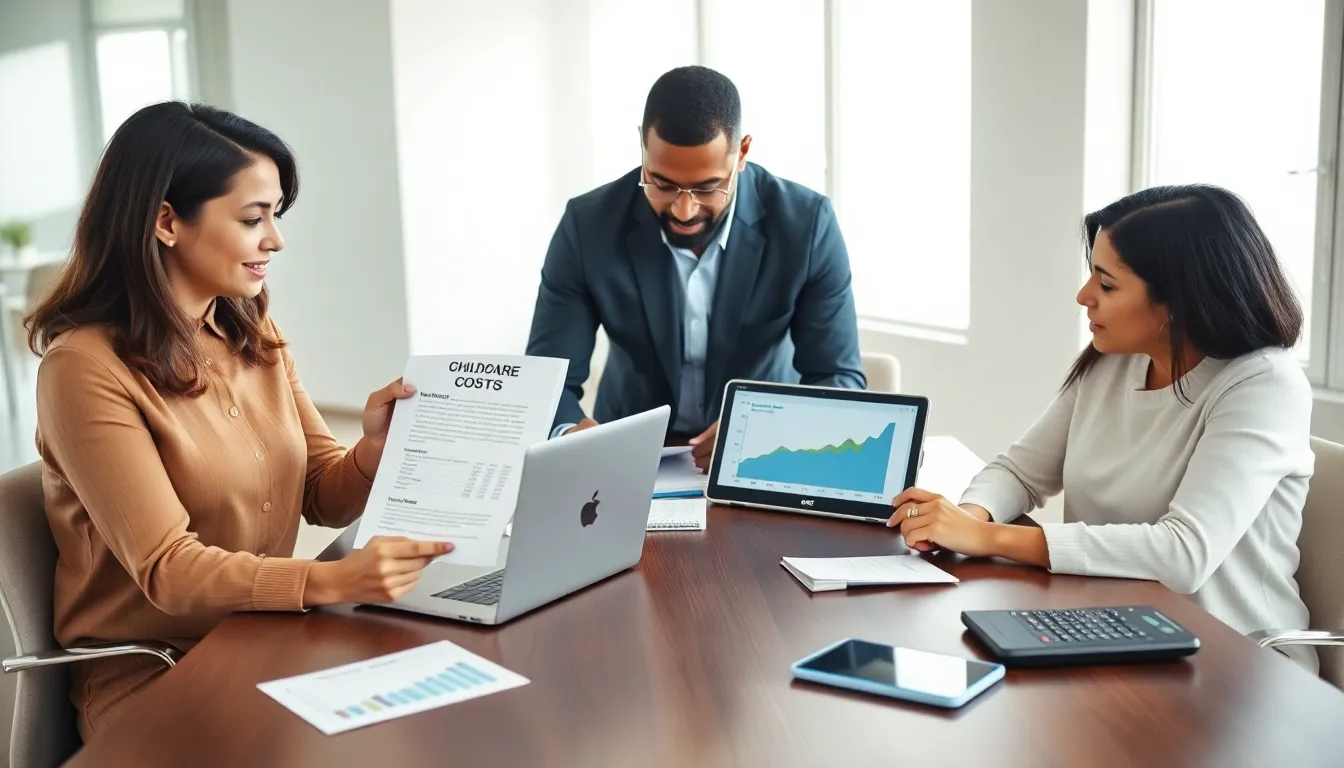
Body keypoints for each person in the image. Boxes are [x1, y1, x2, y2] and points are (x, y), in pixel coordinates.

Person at [27, 102, 452, 739]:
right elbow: (168, 569)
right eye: (254, 219)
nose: (275, 240)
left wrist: (371, 450)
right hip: (157, 675)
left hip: (267, 643)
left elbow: (321, 495)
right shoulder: (84, 368)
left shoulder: (250, 329)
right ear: (166, 221)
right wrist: (330, 580)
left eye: (276, 216)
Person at [886, 185, 1317, 671]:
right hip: (1110, 624)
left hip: (1237, 660)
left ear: (1179, 300)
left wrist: (987, 538)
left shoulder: (1263, 384)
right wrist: (967, 518)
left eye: (1107, 285)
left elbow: (1183, 554)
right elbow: (1019, 472)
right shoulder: (1113, 360)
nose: (1084, 296)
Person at [525, 65, 865, 470]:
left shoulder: (806, 225)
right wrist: (570, 434)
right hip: (629, 458)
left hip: (763, 458)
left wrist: (768, 430)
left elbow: (838, 379)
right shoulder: (588, 226)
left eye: (707, 188)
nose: (684, 210)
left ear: (742, 153)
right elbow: (546, 383)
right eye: (662, 184)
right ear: (642, 146)